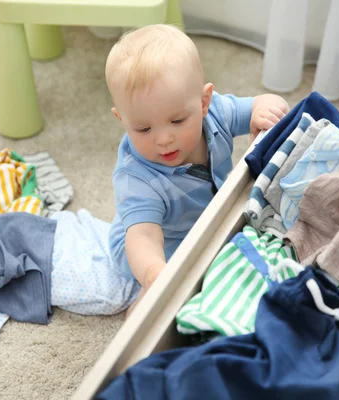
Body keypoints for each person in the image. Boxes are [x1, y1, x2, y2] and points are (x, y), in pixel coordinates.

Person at [105, 24, 289, 314]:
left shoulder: (216, 113)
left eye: (177, 121)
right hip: (160, 241)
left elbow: (264, 103)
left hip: (203, 215)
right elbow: (143, 237)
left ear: (204, 102)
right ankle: (151, 291)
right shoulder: (136, 178)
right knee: (204, 271)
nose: (163, 139)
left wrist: (267, 110)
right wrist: (153, 272)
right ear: (122, 120)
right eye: (142, 128)